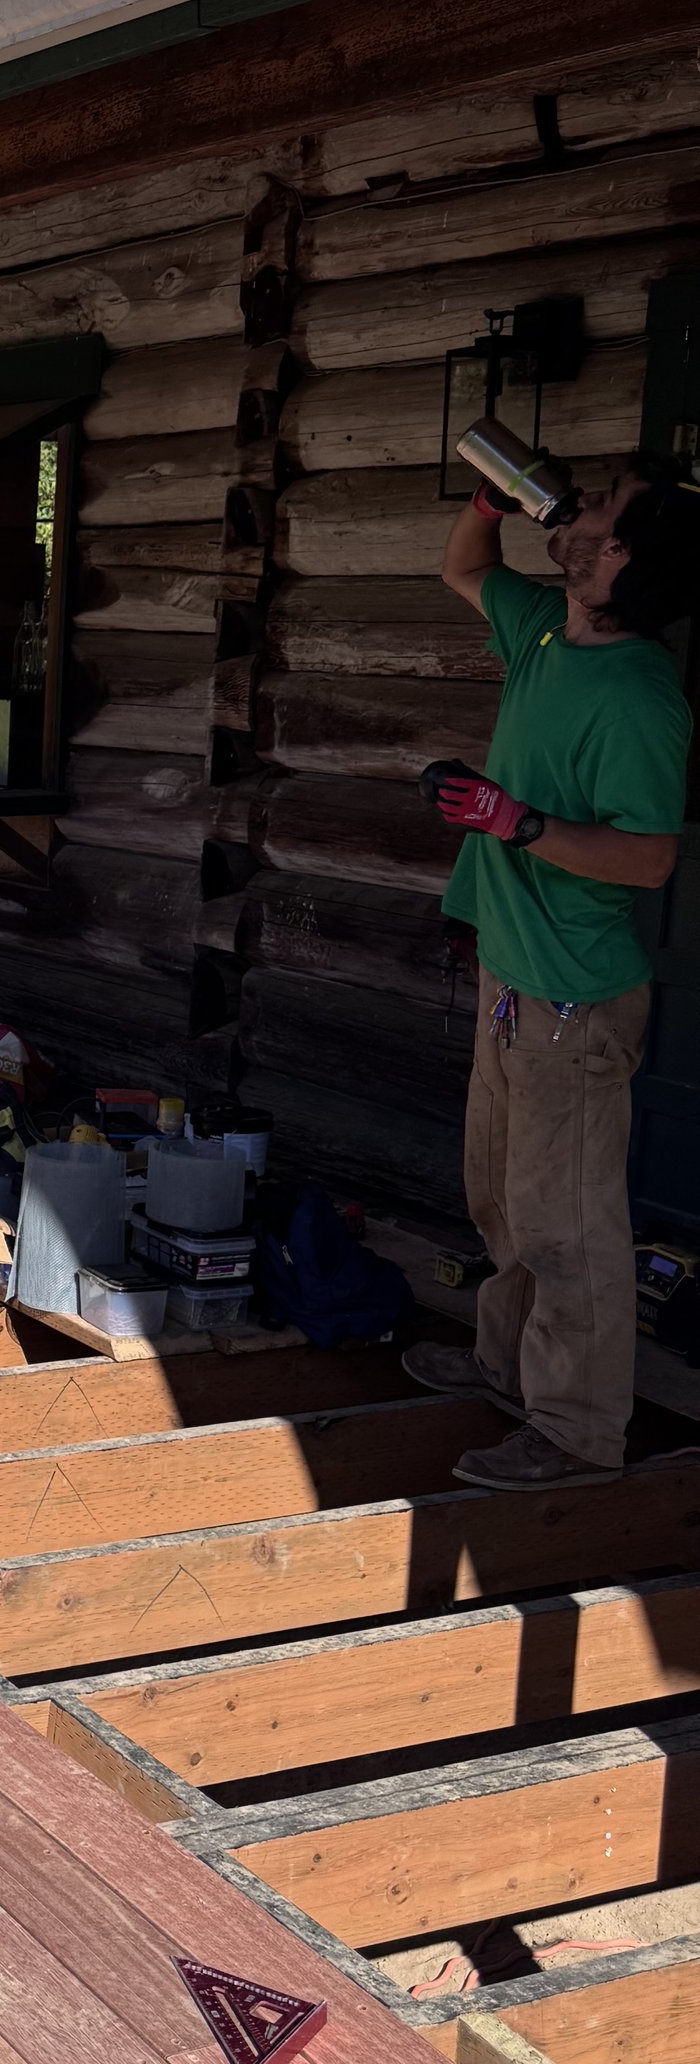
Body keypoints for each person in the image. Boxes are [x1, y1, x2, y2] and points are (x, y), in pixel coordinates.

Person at [403, 452, 697, 1488]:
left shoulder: (639, 698)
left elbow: (648, 855)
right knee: (502, 1197)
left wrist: (511, 821)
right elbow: (460, 569)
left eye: (597, 504)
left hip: (576, 991)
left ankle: (574, 1435)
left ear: (615, 553)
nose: (567, 508)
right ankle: (502, 1370)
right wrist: (489, 502)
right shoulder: (541, 628)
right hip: (510, 971)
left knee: (568, 1225)